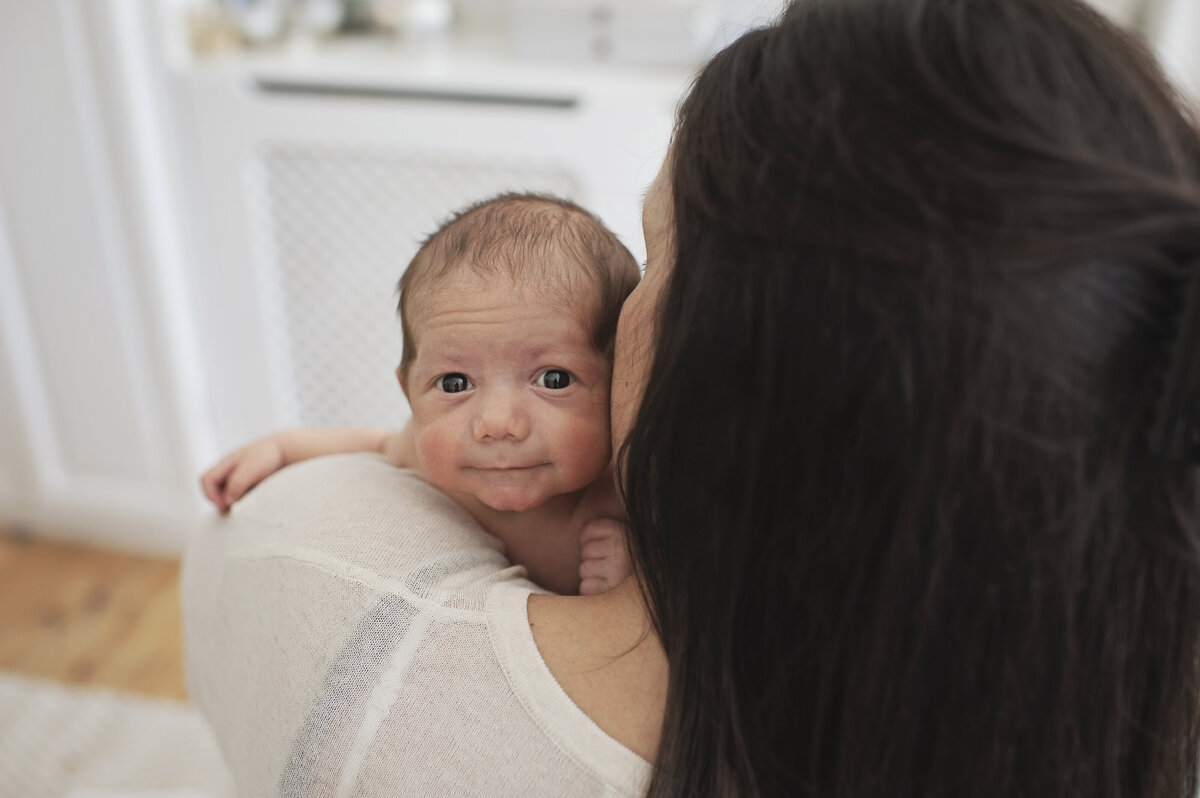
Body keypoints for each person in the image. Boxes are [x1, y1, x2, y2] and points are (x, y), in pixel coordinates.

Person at [183, 0, 1200, 795]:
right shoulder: (1123, 702)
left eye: (656, 251)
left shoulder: (309, 570)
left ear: (748, 378)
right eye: (451, 384)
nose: (496, 420)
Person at [199, 193, 640, 595]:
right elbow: (375, 443)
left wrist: (629, 580)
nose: (498, 423)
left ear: (622, 384)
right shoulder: (428, 453)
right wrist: (281, 447)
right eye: (454, 383)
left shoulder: (622, 496)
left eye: (554, 379)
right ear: (409, 393)